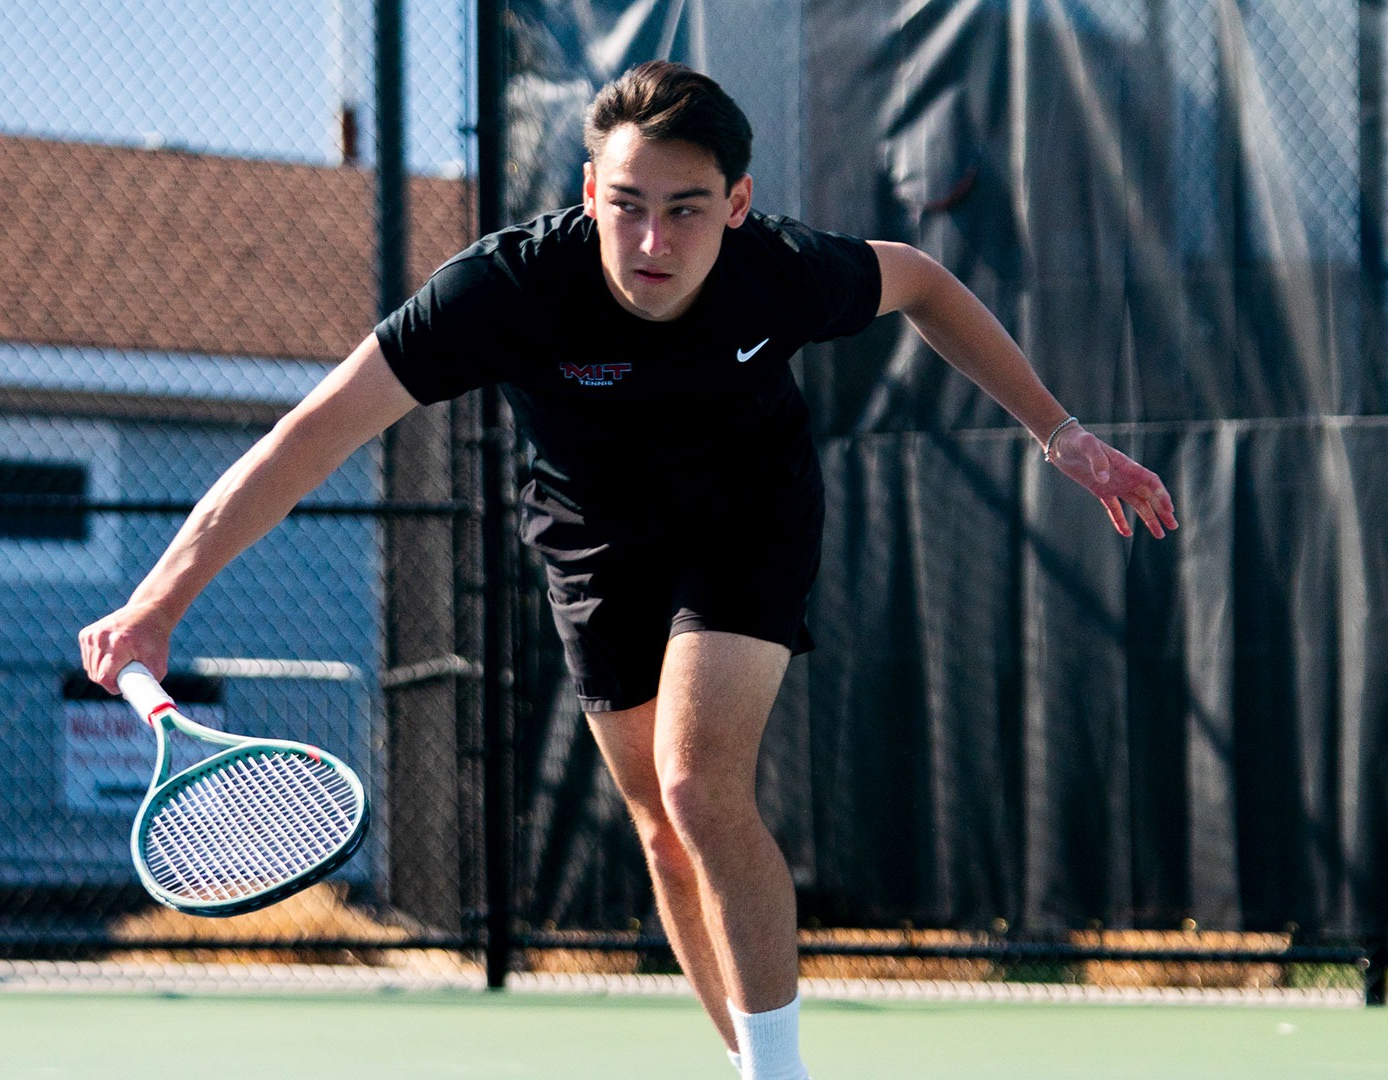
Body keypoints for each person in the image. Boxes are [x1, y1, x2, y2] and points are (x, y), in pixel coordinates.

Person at [79, 60, 1178, 1079]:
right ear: (591, 192)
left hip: (746, 519)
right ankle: (752, 1062)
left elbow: (926, 282)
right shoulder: (503, 290)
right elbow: (308, 439)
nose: (652, 238)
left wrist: (1060, 433)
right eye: (627, 203)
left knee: (701, 788)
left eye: (686, 208)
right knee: (657, 819)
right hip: (594, 543)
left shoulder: (781, 273)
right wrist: (162, 598)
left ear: (736, 205)